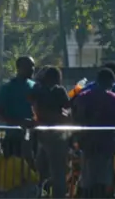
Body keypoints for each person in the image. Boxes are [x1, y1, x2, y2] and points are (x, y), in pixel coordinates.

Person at [73, 68, 115, 199]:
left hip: (87, 143)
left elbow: (78, 117)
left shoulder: (84, 96)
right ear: (112, 82)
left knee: (87, 178)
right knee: (103, 179)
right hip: (107, 145)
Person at [31, 66, 71, 199]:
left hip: (47, 133)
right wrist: (61, 117)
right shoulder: (53, 90)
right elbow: (66, 107)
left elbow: (66, 106)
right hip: (53, 134)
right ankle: (51, 195)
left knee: (46, 169)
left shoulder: (41, 90)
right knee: (55, 170)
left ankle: (41, 193)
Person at [0, 57, 37, 157]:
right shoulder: (7, 88)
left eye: (33, 66)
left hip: (34, 135)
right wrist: (20, 122)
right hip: (13, 136)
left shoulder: (35, 86)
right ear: (19, 68)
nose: (32, 69)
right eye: (28, 66)